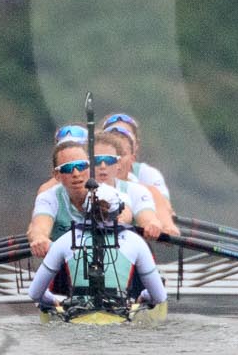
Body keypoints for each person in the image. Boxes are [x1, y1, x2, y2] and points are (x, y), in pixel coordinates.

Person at [26, 131, 169, 316]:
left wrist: (50, 301)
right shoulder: (49, 197)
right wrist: (40, 239)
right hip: (70, 273)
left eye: (81, 166)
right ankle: (133, 302)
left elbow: (125, 215)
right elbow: (39, 227)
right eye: (69, 168)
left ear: (89, 167)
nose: (76, 174)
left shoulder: (111, 194)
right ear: (57, 174)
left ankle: (65, 302)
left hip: (77, 272)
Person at [99, 112, 177, 238]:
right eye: (108, 156)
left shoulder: (145, 189)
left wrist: (162, 225)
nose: (115, 160)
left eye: (120, 154)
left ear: (133, 156)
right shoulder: (78, 182)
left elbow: (163, 216)